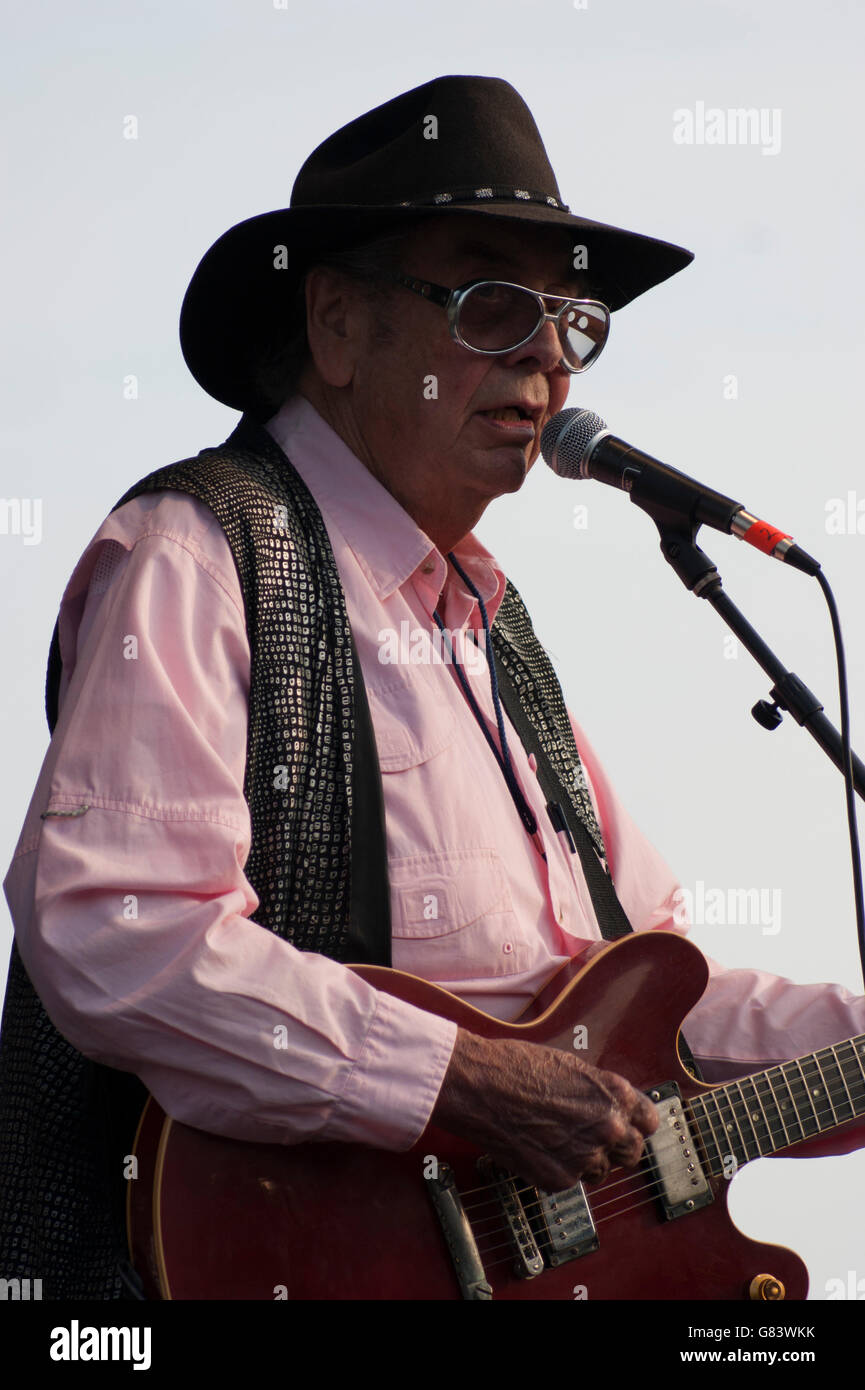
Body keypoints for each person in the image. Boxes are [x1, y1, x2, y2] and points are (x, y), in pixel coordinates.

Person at [2, 74, 864, 1301]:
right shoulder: (197, 550)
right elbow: (118, 930)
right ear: (341, 324)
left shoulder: (497, 637)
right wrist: (463, 1082)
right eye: (492, 306)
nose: (546, 362)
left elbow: (655, 1008)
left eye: (570, 322)